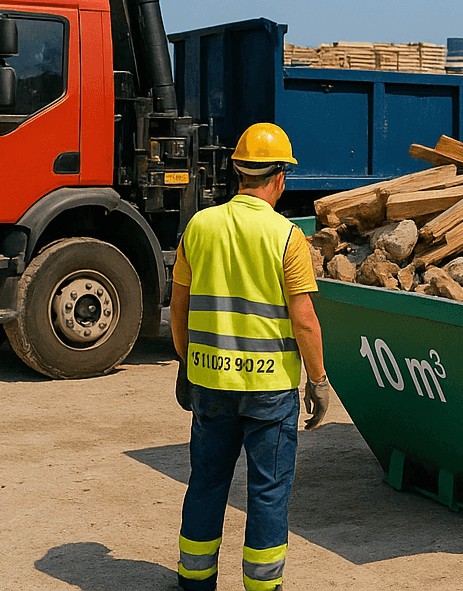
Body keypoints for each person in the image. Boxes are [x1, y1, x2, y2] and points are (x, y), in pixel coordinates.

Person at [170, 122, 332, 591]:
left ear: (238, 171)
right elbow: (304, 319)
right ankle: (262, 586)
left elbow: (178, 306)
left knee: (205, 484)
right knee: (267, 494)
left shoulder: (199, 226)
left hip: (210, 387)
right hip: (268, 392)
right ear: (280, 176)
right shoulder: (286, 237)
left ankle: (195, 580)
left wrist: (186, 364)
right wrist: (318, 381)